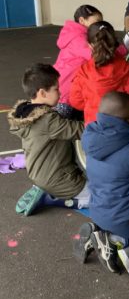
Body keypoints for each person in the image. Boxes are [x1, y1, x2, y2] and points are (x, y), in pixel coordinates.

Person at [74, 91, 129, 280]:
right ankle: (116, 241)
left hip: (97, 210)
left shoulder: (90, 135)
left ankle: (100, 233)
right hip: (126, 222)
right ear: (124, 121)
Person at [8, 63, 90, 216]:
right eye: (56, 89)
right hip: (59, 180)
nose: (60, 93)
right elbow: (81, 130)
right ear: (42, 93)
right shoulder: (47, 120)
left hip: (39, 174)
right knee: (101, 199)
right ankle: (57, 199)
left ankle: (44, 189)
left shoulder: (26, 111)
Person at [69, 21, 129, 124]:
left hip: (93, 128)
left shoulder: (83, 71)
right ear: (114, 42)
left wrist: (92, 105)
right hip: (120, 129)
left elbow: (76, 101)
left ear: (89, 45)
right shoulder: (127, 69)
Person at [53, 4, 103, 119]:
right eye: (97, 21)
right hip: (66, 90)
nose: (100, 25)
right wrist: (123, 49)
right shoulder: (79, 38)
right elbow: (98, 56)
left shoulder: (75, 35)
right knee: (65, 125)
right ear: (82, 20)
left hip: (65, 86)